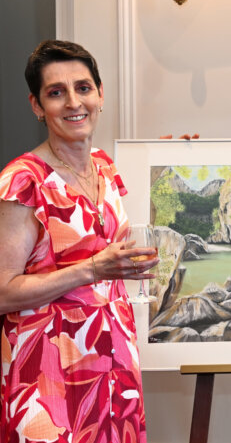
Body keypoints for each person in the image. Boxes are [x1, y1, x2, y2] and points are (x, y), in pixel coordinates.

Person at [0, 39, 176, 442]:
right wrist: (92, 269)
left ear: (100, 95)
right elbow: (3, 291)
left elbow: (112, 247)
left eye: (83, 88)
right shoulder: (23, 180)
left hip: (115, 367)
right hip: (47, 377)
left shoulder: (105, 167)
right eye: (56, 92)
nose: (73, 102)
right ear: (36, 106)